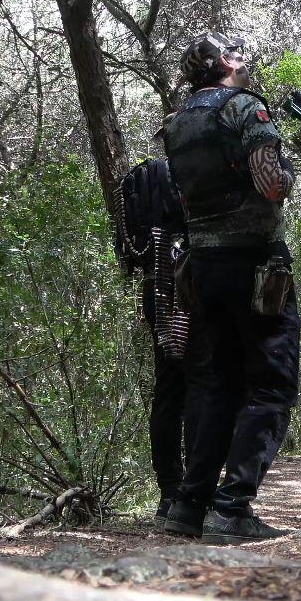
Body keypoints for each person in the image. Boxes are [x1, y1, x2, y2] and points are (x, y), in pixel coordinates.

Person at [161, 32, 301, 545]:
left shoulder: (176, 123)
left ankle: (189, 505)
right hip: (255, 262)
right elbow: (272, 186)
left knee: (216, 384)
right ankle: (233, 506)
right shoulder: (245, 108)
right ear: (222, 63)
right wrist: (287, 173)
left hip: (204, 266)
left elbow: (180, 192)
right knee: (271, 382)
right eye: (236, 53)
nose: (244, 60)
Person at [114, 154, 191, 527]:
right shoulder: (185, 171)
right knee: (198, 386)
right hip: (187, 282)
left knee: (168, 390)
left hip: (154, 288)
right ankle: (193, 494)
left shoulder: (142, 179)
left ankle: (168, 494)